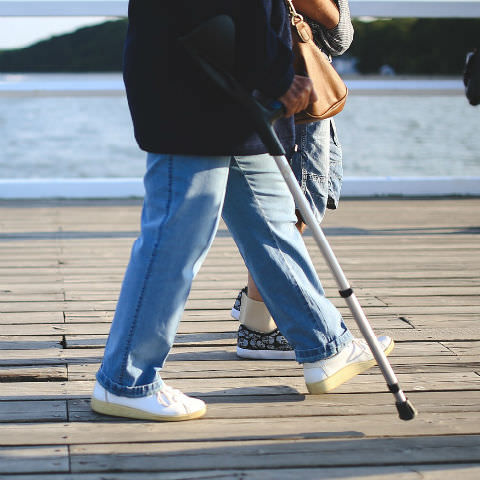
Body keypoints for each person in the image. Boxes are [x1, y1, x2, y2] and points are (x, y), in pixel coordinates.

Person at [91, 0, 393, 422]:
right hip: (197, 85)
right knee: (177, 236)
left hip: (229, 85)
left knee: (270, 220)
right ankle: (125, 379)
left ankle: (326, 345)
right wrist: (274, 74)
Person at [232, 0, 354, 360]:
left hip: (295, 79)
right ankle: (258, 325)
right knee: (295, 209)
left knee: (297, 202)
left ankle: (258, 304)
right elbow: (335, 31)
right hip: (293, 82)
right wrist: (333, 17)